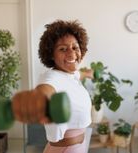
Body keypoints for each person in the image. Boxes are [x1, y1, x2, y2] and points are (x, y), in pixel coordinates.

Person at [12, 20, 93, 153]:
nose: (72, 54)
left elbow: (80, 74)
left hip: (78, 147)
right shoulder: (51, 77)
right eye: (63, 49)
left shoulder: (69, 74)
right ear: (51, 54)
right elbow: (45, 91)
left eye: (75, 47)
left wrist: (90, 73)